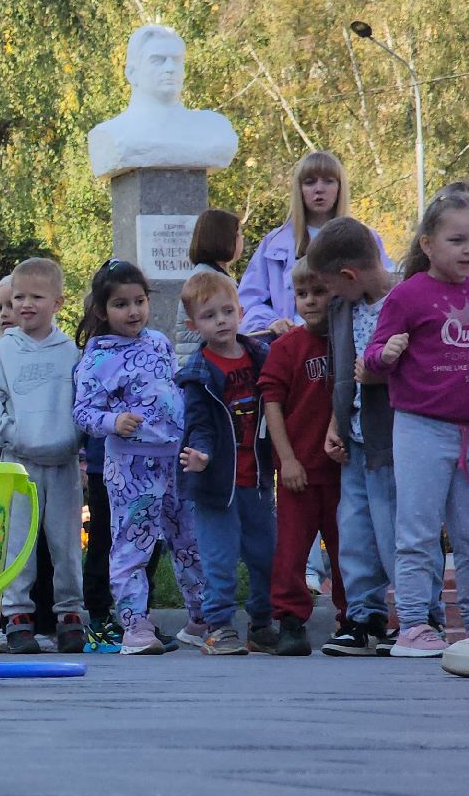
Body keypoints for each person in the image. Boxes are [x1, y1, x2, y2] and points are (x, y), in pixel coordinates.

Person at [361, 191, 469, 656]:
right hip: (420, 427)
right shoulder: (407, 294)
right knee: (417, 531)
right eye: (457, 239)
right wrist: (387, 354)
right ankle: (414, 626)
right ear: (427, 244)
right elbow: (372, 357)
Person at [72, 260, 206, 655]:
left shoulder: (160, 342)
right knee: (133, 542)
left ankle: (201, 616)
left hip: (175, 459)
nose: (133, 312)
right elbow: (83, 413)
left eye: (139, 301)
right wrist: (114, 420)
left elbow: (174, 389)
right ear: (102, 310)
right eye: (121, 304)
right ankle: (134, 625)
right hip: (131, 466)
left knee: (188, 538)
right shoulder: (96, 358)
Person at [309, 216, 427, 655]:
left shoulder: (409, 299)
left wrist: (383, 376)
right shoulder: (345, 307)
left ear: (349, 275)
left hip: (394, 435)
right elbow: (342, 370)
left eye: (330, 286)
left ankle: (420, 613)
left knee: (397, 526)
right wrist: (336, 423)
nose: (328, 296)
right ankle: (364, 615)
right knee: (354, 528)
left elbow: (426, 365)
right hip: (354, 436)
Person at [0, 257, 86, 653]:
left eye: (36, 297)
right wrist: (11, 435)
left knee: (66, 543)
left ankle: (71, 615)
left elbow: (83, 401)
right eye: (18, 297)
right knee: (17, 542)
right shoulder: (4, 351)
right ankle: (17, 617)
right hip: (18, 465)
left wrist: (75, 439)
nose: (25, 305)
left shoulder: (70, 351)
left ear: (57, 302)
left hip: (64, 463)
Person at [174, 270, 276, 656]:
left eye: (227, 311)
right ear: (192, 325)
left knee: (265, 552)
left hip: (258, 479)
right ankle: (217, 625)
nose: (221, 321)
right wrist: (200, 455)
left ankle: (262, 623)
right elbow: (198, 423)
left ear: (241, 312)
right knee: (219, 558)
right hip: (216, 483)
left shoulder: (261, 356)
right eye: (209, 315)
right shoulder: (197, 375)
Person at [260, 263, 345, 656]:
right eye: (302, 294)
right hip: (299, 471)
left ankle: (353, 617)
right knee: (292, 549)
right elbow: (272, 405)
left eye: (319, 291)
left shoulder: (348, 341)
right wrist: (287, 460)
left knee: (348, 547)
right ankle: (291, 621)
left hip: (343, 470)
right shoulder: (285, 348)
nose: (311, 301)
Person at [238, 151, 385, 337]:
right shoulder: (274, 243)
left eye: (328, 181)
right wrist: (271, 321)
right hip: (294, 348)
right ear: (299, 189)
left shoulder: (365, 238)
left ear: (340, 187)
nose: (319, 189)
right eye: (310, 182)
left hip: (351, 343)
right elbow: (246, 301)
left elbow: (383, 291)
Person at [175, 208, 243, 367]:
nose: (242, 240)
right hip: (205, 370)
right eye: (239, 235)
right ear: (224, 238)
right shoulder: (210, 282)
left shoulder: (211, 274)